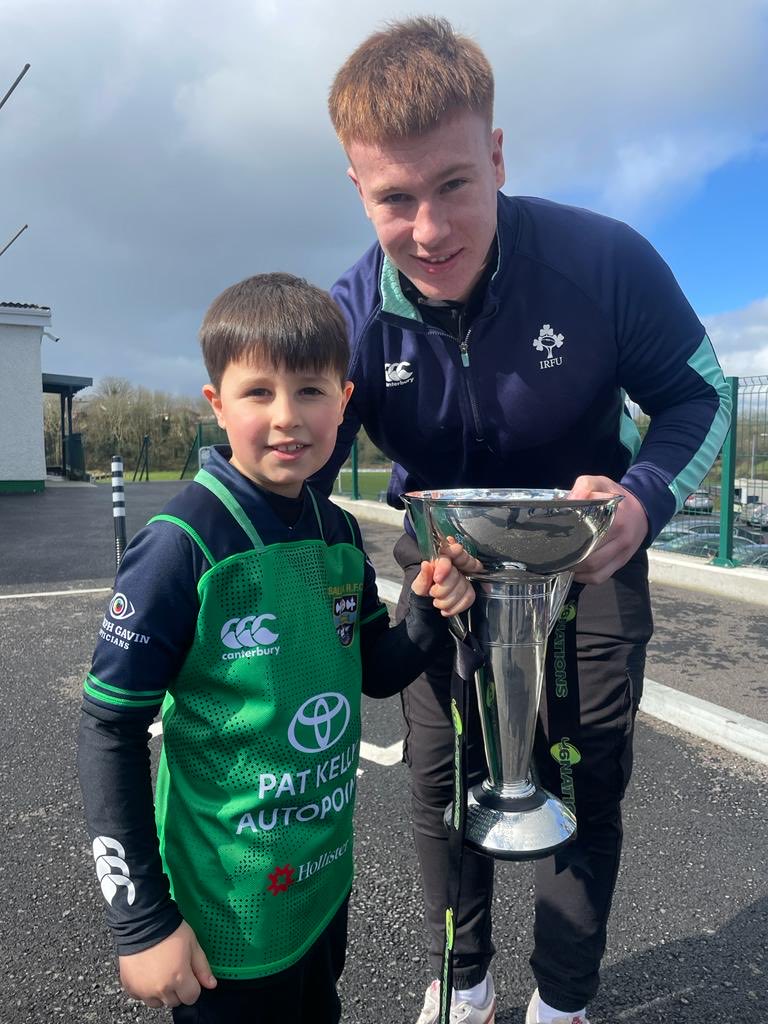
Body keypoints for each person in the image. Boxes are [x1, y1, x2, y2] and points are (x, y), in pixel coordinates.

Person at [314, 17, 732, 1024]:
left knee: (585, 778)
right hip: (440, 574)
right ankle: (463, 978)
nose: (430, 229)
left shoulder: (601, 261)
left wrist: (646, 501)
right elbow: (289, 475)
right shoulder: (352, 315)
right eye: (395, 198)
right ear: (357, 190)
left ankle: (562, 998)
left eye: (455, 184)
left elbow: (703, 395)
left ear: (496, 155)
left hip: (590, 555)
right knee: (438, 781)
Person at [77, 272, 479, 1024]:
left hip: (321, 889)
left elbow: (379, 671)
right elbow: (109, 729)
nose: (287, 417)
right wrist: (141, 923)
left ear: (345, 403)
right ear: (216, 404)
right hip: (225, 915)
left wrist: (425, 607)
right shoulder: (181, 548)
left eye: (311, 390)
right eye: (258, 392)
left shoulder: (338, 534)